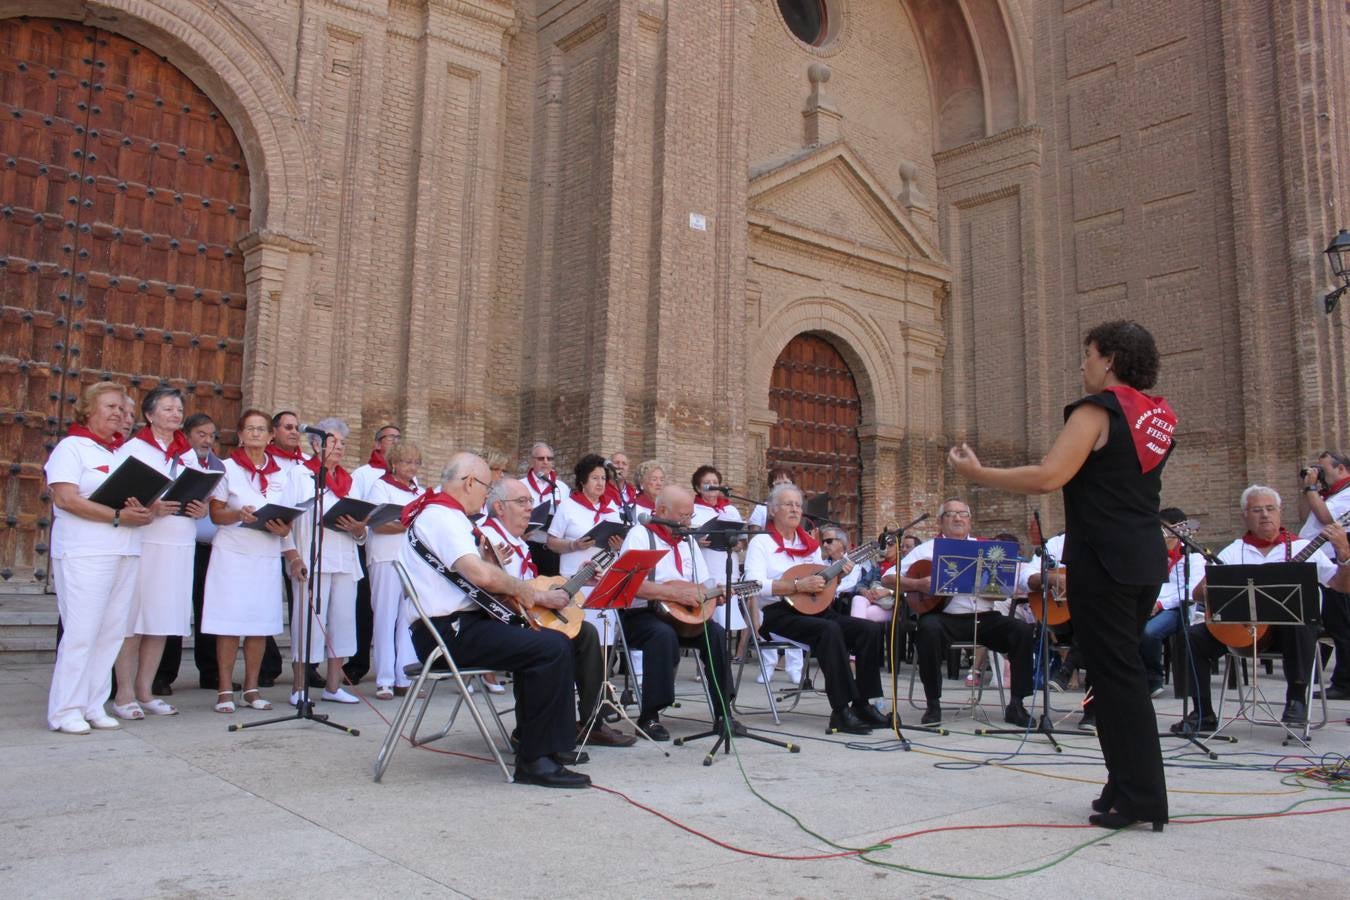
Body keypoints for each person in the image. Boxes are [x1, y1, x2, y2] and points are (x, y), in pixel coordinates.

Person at [950, 319, 1178, 831]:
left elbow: (1050, 475)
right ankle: (1124, 784)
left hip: (1104, 560)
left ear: (1111, 360)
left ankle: (1142, 797)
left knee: (1117, 678)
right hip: (1143, 558)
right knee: (1118, 674)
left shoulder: (1098, 411)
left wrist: (978, 474)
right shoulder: (1158, 417)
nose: (1083, 363)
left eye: (1089, 354)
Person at [399, 453, 589, 787]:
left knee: (549, 640)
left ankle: (543, 748)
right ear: (470, 482)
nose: (487, 496)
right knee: (551, 647)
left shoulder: (446, 516)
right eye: (486, 486)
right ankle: (536, 759)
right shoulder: (442, 517)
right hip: (448, 633)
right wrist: (535, 595)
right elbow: (477, 573)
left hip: (460, 626)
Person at [1171, 486, 1350, 734]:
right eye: (1257, 510)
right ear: (1245, 515)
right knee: (1191, 637)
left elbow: (1342, 586)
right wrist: (1214, 584)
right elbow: (1198, 594)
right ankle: (1202, 711)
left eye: (1270, 509)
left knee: (1301, 621)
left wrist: (1344, 553)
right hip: (1243, 633)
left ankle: (1296, 699)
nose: (1265, 515)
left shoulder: (1302, 547)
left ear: (1280, 512)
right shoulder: (1234, 550)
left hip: (1288, 635)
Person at [481, 477, 634, 747]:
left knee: (585, 633)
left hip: (528, 615)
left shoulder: (516, 542)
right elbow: (496, 591)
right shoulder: (489, 538)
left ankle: (590, 722)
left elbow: (533, 586)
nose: (530, 508)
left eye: (530, 501)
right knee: (561, 641)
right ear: (499, 507)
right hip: (504, 622)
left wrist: (578, 579)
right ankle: (536, 730)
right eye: (522, 502)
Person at [45, 382, 155, 733]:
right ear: (88, 409)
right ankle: (65, 710)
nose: (119, 415)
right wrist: (117, 517)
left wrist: (143, 511)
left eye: (123, 411)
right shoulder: (71, 448)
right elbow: (66, 499)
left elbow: (135, 502)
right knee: (82, 631)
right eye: (111, 407)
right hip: (85, 551)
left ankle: (93, 704)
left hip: (124, 550)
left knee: (110, 632)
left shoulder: (121, 453)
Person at [743, 482, 888, 735]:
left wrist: (838, 576)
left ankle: (864, 704)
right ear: (773, 510)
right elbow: (753, 586)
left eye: (798, 505)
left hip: (814, 610)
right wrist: (795, 584)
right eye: (788, 504)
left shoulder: (809, 544)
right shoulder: (761, 544)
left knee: (868, 630)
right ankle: (841, 711)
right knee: (829, 630)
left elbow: (821, 584)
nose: (795, 509)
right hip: (778, 614)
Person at [111, 386, 211, 719]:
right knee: (135, 620)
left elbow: (199, 491)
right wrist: (151, 507)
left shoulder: (187, 454)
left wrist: (200, 508)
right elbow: (121, 496)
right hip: (146, 541)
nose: (175, 414)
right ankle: (124, 694)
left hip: (180, 541)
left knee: (161, 620)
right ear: (150, 414)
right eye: (167, 408)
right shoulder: (134, 449)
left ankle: (146, 689)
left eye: (178, 409)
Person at [618, 486, 743, 740]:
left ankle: (724, 713)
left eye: (691, 516)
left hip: (683, 617)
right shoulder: (640, 535)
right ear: (662, 511)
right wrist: (674, 595)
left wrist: (714, 597)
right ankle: (650, 716)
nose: (688, 522)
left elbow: (703, 584)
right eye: (684, 516)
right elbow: (630, 585)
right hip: (641, 615)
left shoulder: (688, 542)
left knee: (716, 634)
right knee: (662, 635)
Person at [896, 500, 1035, 727]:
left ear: (970, 520)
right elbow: (888, 578)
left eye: (963, 514)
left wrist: (1020, 583)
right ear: (941, 521)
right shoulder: (926, 549)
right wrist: (918, 583)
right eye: (951, 514)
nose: (958, 518)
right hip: (946, 617)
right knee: (928, 629)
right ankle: (933, 704)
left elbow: (1020, 575)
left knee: (1021, 630)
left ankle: (1017, 705)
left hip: (985, 617)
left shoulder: (989, 549)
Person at [202, 410, 302, 713]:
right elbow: (216, 514)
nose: (256, 434)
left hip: (266, 554)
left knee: (259, 624)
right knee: (229, 624)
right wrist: (238, 514)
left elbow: (287, 518)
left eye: (262, 429)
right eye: (250, 429)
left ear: (271, 436)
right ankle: (223, 690)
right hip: (232, 553)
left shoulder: (283, 474)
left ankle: (252, 688)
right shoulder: (226, 468)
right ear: (241, 434)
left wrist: (287, 536)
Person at [283, 418, 366, 705]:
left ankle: (333, 686)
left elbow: (361, 526)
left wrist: (358, 529)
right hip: (311, 559)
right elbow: (285, 520)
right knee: (307, 623)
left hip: (344, 560)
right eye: (333, 441)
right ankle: (299, 688)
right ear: (316, 444)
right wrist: (293, 556)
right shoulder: (299, 475)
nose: (339, 447)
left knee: (343, 623)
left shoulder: (349, 481)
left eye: (343, 443)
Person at [153, 412, 226, 694]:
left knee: (208, 610)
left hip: (210, 548)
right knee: (174, 609)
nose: (207, 440)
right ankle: (163, 675)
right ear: (187, 435)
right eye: (201, 434)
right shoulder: (175, 459)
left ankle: (210, 672)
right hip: (178, 545)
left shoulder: (219, 465)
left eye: (212, 435)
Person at [363, 441, 423, 699]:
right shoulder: (381, 486)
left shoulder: (419, 491)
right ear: (394, 464)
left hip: (411, 560)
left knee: (408, 619)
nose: (412, 467)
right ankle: (385, 679)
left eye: (416, 462)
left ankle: (404, 677)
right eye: (407, 462)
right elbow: (377, 524)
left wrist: (408, 523)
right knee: (386, 617)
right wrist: (410, 524)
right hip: (385, 558)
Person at [546, 454, 627, 642]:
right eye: (595, 478)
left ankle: (601, 672)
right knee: (578, 635)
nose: (600, 483)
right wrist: (574, 544)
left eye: (604, 478)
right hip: (575, 580)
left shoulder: (612, 509)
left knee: (603, 638)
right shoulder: (568, 506)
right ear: (583, 481)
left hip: (603, 579)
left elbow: (617, 546)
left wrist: (617, 546)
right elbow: (551, 542)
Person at [1298, 450, 1350, 700]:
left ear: (1341, 469)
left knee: (1341, 624)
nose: (1319, 473)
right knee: (1329, 621)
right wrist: (1309, 489)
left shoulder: (1348, 493)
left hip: (1335, 563)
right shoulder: (1328, 494)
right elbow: (1304, 517)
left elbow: (1327, 518)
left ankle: (1344, 682)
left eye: (1324, 469)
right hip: (1315, 562)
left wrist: (1312, 489)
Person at [1140, 508, 1206, 698]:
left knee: (1149, 632)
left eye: (1163, 530)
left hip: (1178, 611)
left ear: (1177, 531)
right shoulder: (1152, 556)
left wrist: (1160, 604)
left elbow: (1191, 593)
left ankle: (1154, 679)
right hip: (1150, 606)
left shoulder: (1193, 558)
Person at [690, 465, 748, 644]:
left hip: (726, 561)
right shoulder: (693, 509)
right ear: (699, 488)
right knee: (709, 611)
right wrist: (696, 542)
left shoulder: (730, 510)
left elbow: (743, 540)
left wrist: (738, 544)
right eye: (707, 483)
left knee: (726, 611)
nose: (712, 486)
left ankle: (722, 655)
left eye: (715, 483)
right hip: (706, 561)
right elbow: (684, 538)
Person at [523, 441, 567, 576]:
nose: (546, 462)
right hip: (528, 544)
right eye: (541, 458)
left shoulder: (561, 487)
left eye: (549, 458)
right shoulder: (521, 485)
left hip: (552, 550)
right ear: (532, 461)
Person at [604, 452, 638, 521]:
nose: (620, 466)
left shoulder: (635, 493)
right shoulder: (601, 491)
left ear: (628, 469)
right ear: (609, 467)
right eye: (616, 463)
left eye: (624, 464)